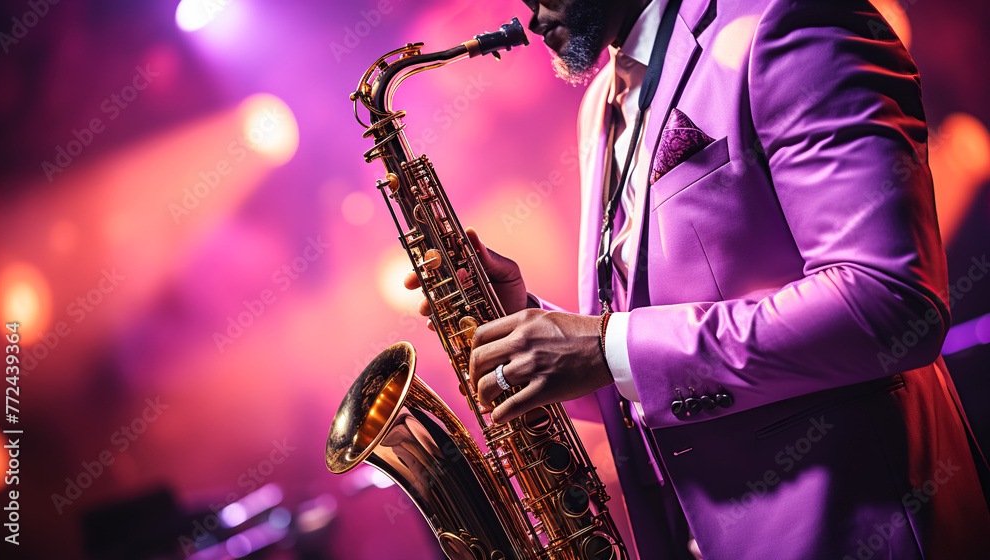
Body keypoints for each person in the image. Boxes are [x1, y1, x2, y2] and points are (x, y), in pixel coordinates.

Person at [405, 0, 990, 557]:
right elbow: (655, 371)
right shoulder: (600, 106)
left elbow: (891, 304)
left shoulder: (788, 19)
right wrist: (529, 327)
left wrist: (608, 347)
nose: (525, 8)